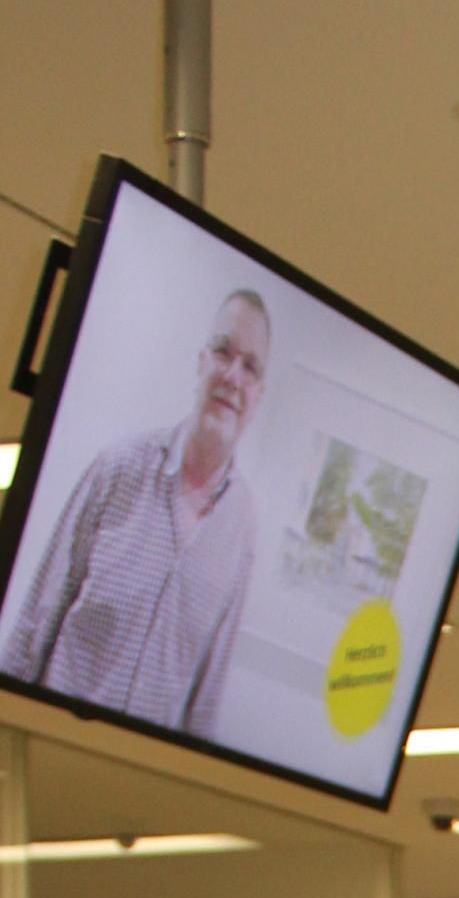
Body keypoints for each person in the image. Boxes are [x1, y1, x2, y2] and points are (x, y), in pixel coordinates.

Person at [2, 285, 270, 734]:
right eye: (223, 352)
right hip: (48, 744)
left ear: (259, 394)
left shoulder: (242, 527)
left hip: (130, 771)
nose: (232, 376)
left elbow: (204, 703)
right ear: (200, 362)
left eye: (250, 367)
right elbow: (36, 618)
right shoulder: (118, 468)